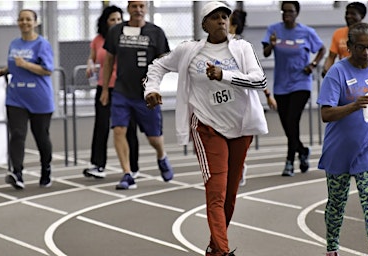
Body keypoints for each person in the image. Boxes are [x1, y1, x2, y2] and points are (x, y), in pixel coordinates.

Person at [144, 2, 268, 255]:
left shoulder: (242, 48)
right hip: (207, 127)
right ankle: (223, 251)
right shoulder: (189, 50)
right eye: (215, 17)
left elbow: (260, 80)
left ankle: (214, 248)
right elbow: (157, 65)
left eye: (225, 16)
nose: (222, 20)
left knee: (230, 196)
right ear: (204, 24)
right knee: (216, 193)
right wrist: (152, 89)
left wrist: (225, 76)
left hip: (240, 128)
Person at [317, 22, 368, 256]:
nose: (366, 53)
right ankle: (332, 248)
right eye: (361, 47)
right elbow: (325, 113)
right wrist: (353, 106)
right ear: (349, 47)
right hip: (339, 151)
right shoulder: (337, 72)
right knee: (336, 205)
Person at [100, 1, 173, 190]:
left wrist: (155, 86)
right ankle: (127, 173)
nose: (138, 10)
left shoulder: (156, 32)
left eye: (141, 6)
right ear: (128, 9)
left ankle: (162, 155)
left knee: (153, 138)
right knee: (118, 130)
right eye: (134, 6)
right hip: (122, 91)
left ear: (146, 8)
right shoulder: (116, 31)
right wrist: (106, 89)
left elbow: (165, 62)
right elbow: (108, 60)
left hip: (146, 94)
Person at [262, 1, 326, 176]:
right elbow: (266, 53)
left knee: (292, 120)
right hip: (281, 85)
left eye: (290, 11)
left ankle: (290, 161)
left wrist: (313, 64)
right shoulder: (273, 29)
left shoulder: (307, 32)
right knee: (287, 125)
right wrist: (272, 44)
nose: (286, 13)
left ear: (297, 13)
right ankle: (303, 150)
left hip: (301, 82)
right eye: (284, 11)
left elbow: (321, 49)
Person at [0, 9, 54, 189]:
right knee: (17, 134)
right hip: (16, 97)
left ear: (35, 22)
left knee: (41, 136)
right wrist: (4, 70)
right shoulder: (14, 44)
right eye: (21, 19)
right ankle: (17, 173)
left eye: (28, 19)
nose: (24, 22)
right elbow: (15, 65)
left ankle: (46, 170)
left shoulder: (42, 44)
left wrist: (25, 64)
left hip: (39, 98)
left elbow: (47, 70)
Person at [83, 5, 141, 179]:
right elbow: (92, 57)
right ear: (105, 22)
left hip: (125, 87)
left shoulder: (128, 37)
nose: (116, 22)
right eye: (112, 19)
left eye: (118, 19)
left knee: (128, 128)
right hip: (104, 87)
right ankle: (98, 165)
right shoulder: (98, 40)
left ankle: (133, 167)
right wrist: (90, 64)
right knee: (101, 126)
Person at [229, 8, 276, 186]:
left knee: (240, 137)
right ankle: (234, 167)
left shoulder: (243, 47)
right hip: (222, 101)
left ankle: (239, 165)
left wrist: (268, 95)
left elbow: (257, 74)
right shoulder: (215, 45)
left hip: (241, 100)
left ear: (231, 24)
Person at [322, 1, 368, 78]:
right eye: (347, 13)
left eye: (353, 14)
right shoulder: (338, 33)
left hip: (366, 75)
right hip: (345, 74)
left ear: (362, 16)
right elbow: (331, 57)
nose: (349, 16)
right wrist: (326, 71)